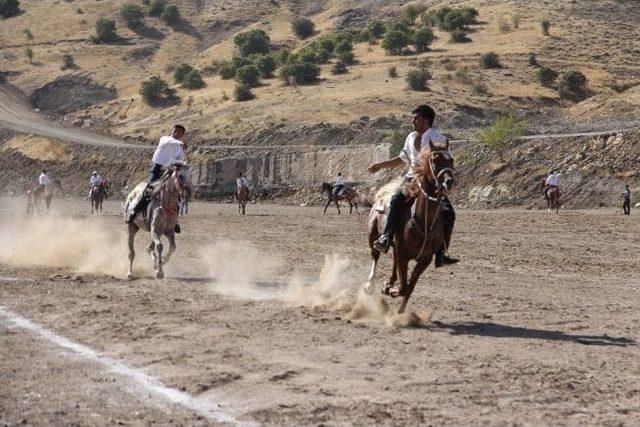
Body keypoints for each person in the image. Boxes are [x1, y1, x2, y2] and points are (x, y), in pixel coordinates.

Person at [367, 104, 458, 267]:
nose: (412, 121)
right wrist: (380, 165)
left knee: (449, 213)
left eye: (416, 118)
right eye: (413, 118)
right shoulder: (410, 137)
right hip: (411, 180)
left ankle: (442, 253)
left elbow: (448, 162)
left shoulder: (439, 139)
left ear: (426, 120)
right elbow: (401, 159)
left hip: (430, 183)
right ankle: (385, 237)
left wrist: (444, 181)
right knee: (395, 201)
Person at [126, 124, 186, 226]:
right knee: (149, 189)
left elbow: (180, 160)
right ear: (171, 131)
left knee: (177, 192)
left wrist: (180, 165)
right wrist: (181, 143)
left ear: (182, 135)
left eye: (179, 132)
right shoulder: (165, 139)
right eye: (175, 131)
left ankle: (174, 220)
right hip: (157, 169)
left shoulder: (179, 149)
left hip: (169, 172)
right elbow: (171, 141)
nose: (176, 133)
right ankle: (134, 212)